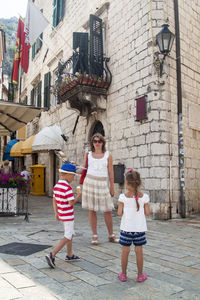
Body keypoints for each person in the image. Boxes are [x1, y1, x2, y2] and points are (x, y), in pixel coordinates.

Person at [81, 133, 118, 245]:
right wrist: (70, 168)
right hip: (90, 182)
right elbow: (83, 169)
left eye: (99, 141)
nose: (97, 143)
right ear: (92, 143)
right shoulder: (88, 155)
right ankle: (95, 235)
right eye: (95, 141)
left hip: (102, 183)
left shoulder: (108, 155)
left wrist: (112, 187)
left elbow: (111, 172)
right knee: (92, 210)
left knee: (108, 210)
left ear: (103, 143)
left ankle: (111, 235)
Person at [45, 163, 81, 268]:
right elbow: (71, 202)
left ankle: (69, 255)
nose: (73, 178)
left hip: (62, 214)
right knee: (67, 236)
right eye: (73, 176)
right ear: (68, 175)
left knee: (70, 233)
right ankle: (52, 254)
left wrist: (56, 213)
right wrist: (78, 196)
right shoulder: (67, 187)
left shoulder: (56, 186)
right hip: (68, 215)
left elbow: (54, 200)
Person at [117, 169, 150, 283]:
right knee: (139, 251)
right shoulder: (144, 197)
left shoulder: (123, 197)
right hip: (139, 230)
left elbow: (119, 213)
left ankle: (124, 275)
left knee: (125, 251)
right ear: (138, 183)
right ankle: (140, 275)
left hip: (126, 229)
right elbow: (147, 213)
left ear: (127, 183)